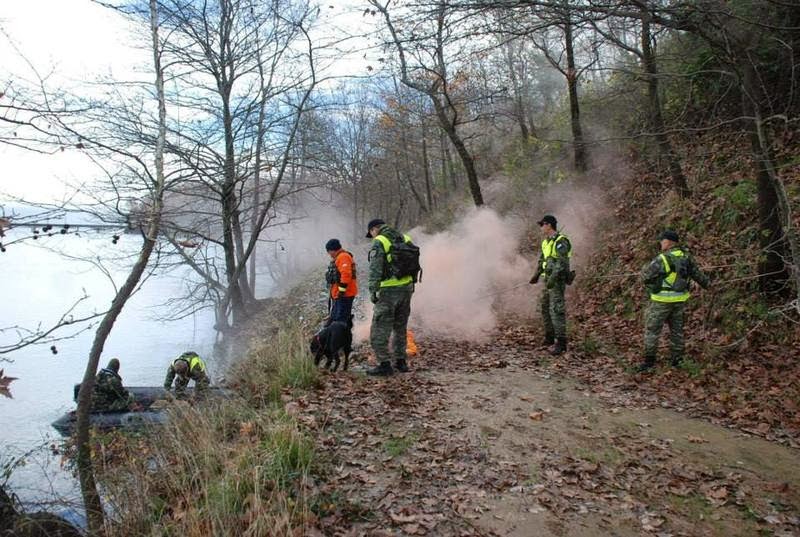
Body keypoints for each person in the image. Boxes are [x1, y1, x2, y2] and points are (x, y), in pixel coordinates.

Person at [638, 230, 709, 372]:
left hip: (661, 302)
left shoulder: (662, 259)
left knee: (652, 330)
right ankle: (677, 360)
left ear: (669, 241)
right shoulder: (686, 257)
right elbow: (698, 276)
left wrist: (653, 283)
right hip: (679, 302)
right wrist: (708, 284)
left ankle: (649, 362)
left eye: (662, 240)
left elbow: (644, 275)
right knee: (677, 331)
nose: (660, 243)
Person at [365, 218, 417, 376]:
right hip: (406, 288)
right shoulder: (404, 238)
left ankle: (384, 364)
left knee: (379, 329)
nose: (372, 236)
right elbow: (414, 262)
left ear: (374, 229)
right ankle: (401, 362)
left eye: (371, 233)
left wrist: (373, 291)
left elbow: (375, 269)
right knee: (400, 328)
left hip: (388, 291)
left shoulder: (380, 241)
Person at [529, 214, 573, 355]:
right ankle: (549, 337)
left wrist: (552, 279)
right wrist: (536, 275)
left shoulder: (561, 241)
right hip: (547, 280)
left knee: (557, 309)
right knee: (544, 307)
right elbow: (542, 260)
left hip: (556, 281)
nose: (541, 227)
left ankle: (561, 342)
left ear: (549, 225)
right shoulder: (546, 242)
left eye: (542, 224)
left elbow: (561, 263)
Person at [324, 238, 358, 325]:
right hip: (339, 295)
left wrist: (341, 291)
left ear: (332, 250)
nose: (329, 254)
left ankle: (341, 337)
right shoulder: (339, 258)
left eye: (328, 252)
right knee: (334, 320)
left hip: (344, 295)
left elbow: (346, 274)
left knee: (340, 321)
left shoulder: (343, 257)